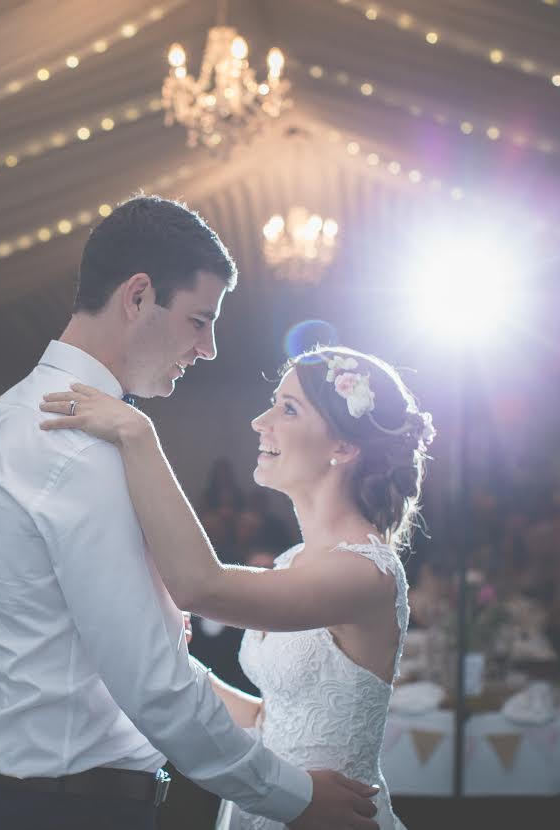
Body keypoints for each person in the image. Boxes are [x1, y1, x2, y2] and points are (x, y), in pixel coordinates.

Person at [0, 195, 379, 830]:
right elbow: (149, 678)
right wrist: (292, 795)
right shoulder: (77, 443)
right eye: (199, 320)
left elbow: (108, 648)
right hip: (70, 812)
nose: (207, 349)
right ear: (139, 295)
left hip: (20, 798)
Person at [41, 344, 436, 830]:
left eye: (288, 408)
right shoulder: (295, 561)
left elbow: (200, 586)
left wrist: (137, 435)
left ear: (343, 447)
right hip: (274, 807)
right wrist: (171, 658)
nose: (260, 421)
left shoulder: (365, 573)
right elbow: (268, 720)